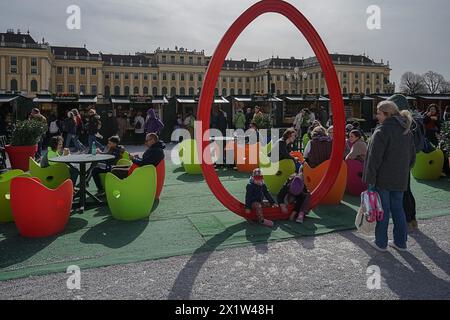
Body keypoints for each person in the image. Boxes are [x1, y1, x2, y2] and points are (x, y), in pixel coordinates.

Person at [362, 101, 416, 252]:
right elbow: (412, 158)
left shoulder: (382, 131)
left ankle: (381, 242)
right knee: (398, 209)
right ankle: (400, 242)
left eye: (378, 113)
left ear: (386, 114)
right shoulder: (406, 131)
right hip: (400, 179)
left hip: (383, 179)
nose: (376, 116)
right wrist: (402, 171)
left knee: (382, 211)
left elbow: (374, 159)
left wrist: (370, 180)